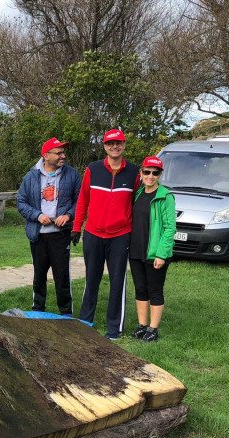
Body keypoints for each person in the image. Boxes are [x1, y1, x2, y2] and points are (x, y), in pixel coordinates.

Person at [72, 128, 141, 339]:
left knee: (117, 281)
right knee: (91, 279)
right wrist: (76, 227)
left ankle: (114, 327)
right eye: (110, 144)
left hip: (120, 234)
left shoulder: (133, 172)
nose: (115, 147)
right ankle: (85, 322)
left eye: (118, 143)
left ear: (124, 145)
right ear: (104, 146)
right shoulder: (93, 169)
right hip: (93, 232)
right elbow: (83, 199)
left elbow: (136, 203)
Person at [16, 138, 80, 315]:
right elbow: (21, 202)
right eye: (58, 153)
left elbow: (80, 201)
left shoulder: (72, 174)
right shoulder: (31, 176)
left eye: (63, 152)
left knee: (62, 276)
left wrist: (68, 215)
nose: (63, 156)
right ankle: (38, 311)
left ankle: (66, 314)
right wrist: (37, 216)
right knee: (39, 277)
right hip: (38, 235)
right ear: (46, 155)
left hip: (61, 234)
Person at [128, 156, 176, 342]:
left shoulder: (166, 196)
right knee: (140, 289)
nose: (150, 176)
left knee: (154, 290)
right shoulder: (138, 193)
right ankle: (142, 326)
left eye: (155, 173)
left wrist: (162, 254)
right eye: (147, 172)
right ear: (141, 173)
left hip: (155, 253)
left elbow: (170, 227)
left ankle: (153, 329)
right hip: (136, 250)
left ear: (160, 175)